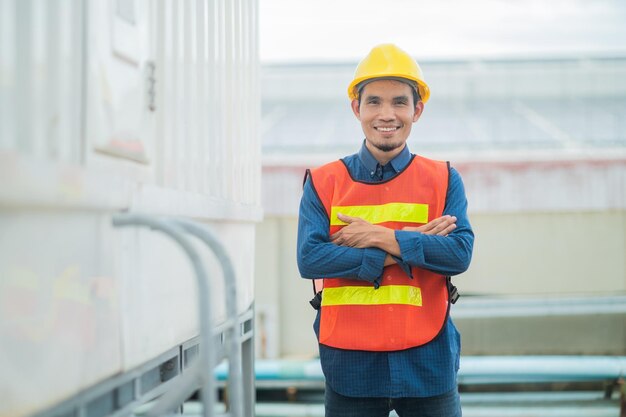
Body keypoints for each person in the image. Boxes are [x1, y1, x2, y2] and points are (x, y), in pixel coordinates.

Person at [296, 43, 474, 417]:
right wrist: (410, 247)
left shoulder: (443, 178)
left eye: (399, 102)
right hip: (351, 367)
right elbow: (310, 259)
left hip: (429, 362)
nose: (386, 114)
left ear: (417, 110)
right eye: (374, 101)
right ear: (356, 108)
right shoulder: (324, 181)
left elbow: (459, 253)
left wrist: (377, 236)